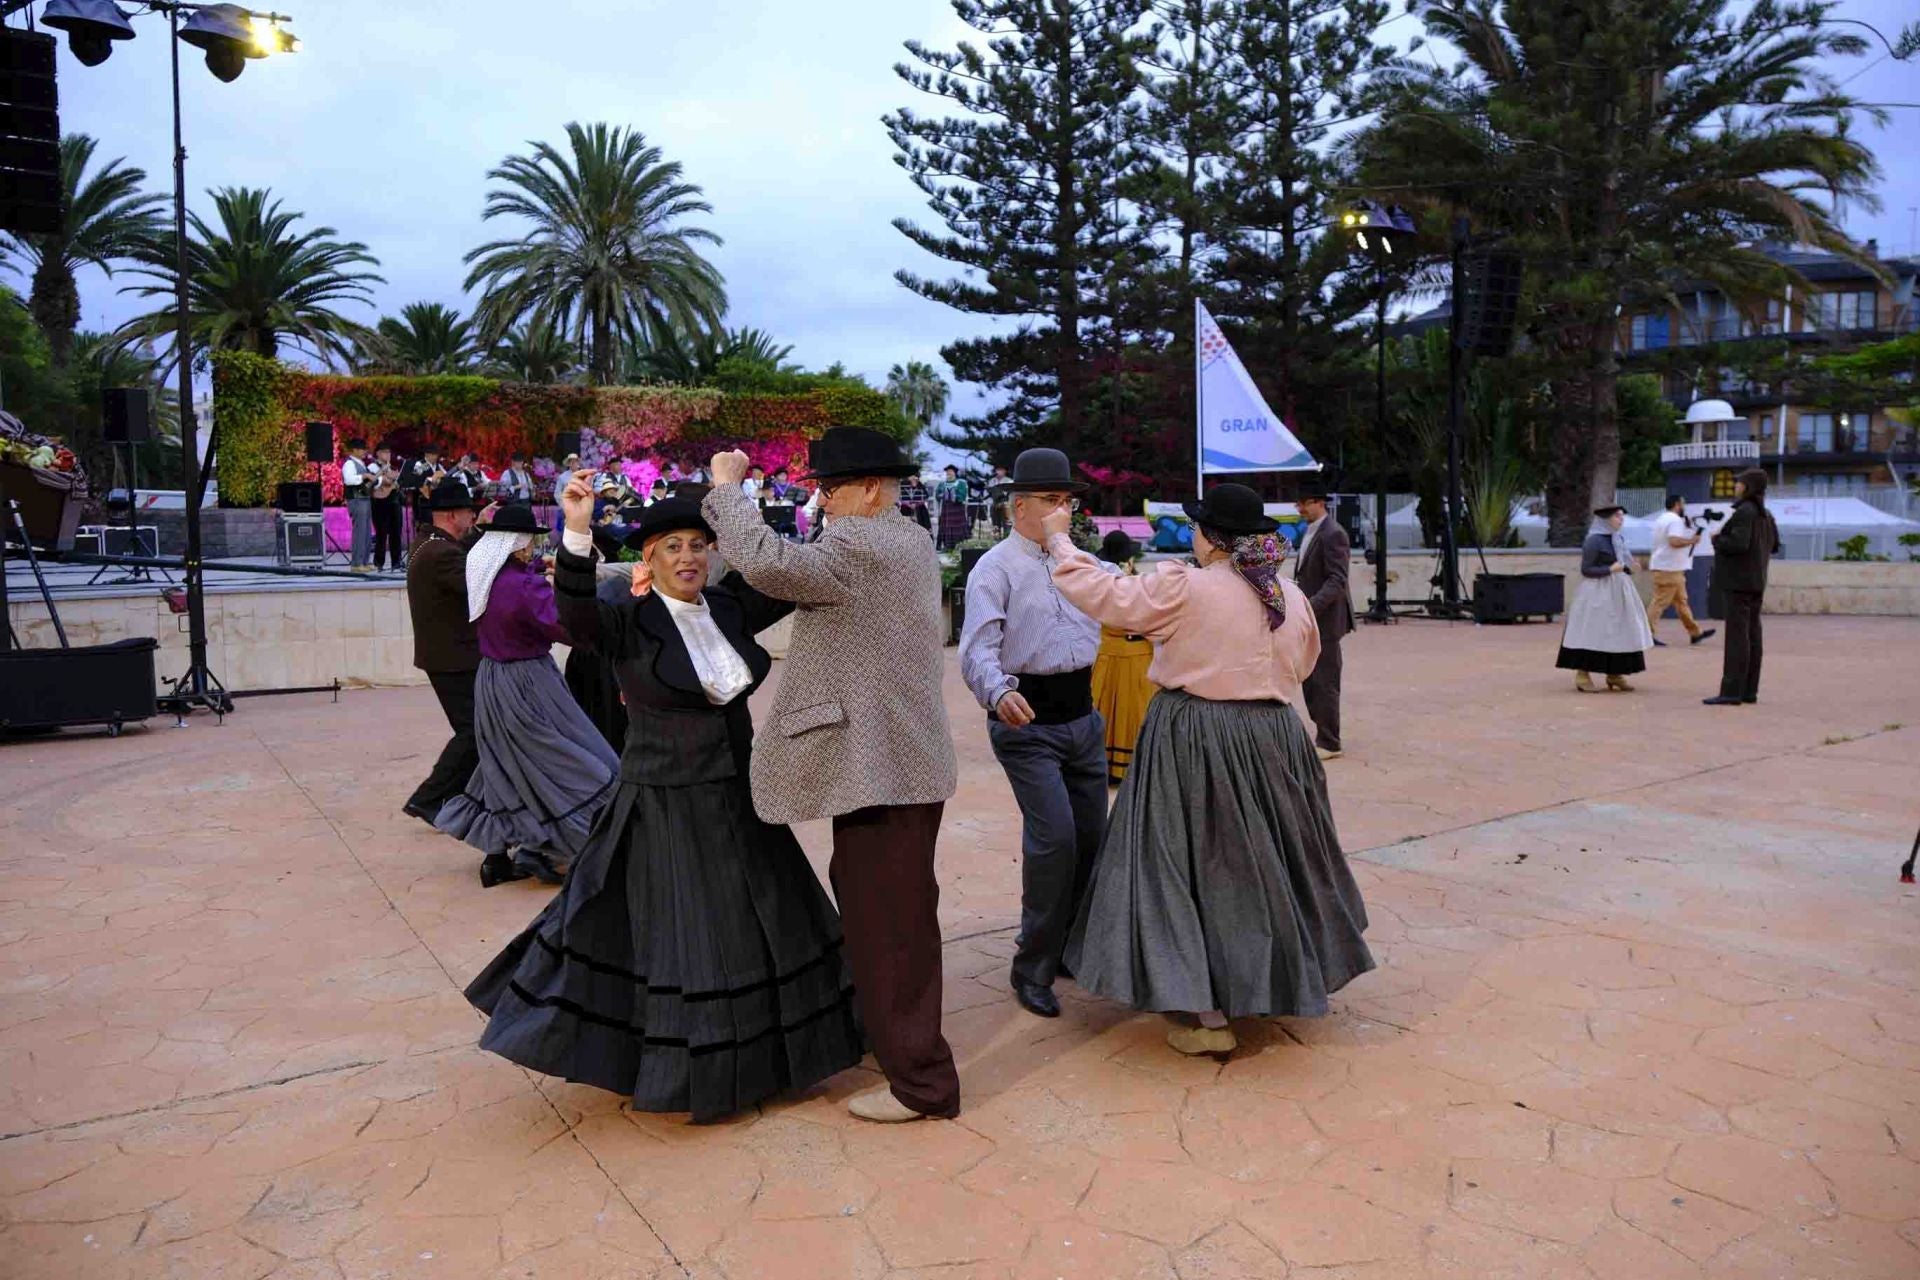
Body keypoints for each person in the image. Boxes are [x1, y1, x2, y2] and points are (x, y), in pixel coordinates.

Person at [466, 492, 864, 1120]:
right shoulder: (626, 619)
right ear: (648, 559)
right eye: (673, 547)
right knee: (691, 936)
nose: (688, 557)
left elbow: (788, 575)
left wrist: (830, 521)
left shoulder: (728, 608)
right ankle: (701, 1072)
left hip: (739, 798)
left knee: (766, 922)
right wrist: (576, 531)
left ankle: (777, 1060)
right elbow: (575, 616)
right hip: (665, 802)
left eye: (698, 546)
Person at [1046, 483, 1374, 1058]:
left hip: (1195, 735)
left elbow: (1108, 597)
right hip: (1275, 736)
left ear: (1212, 539)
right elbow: (1304, 662)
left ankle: (1208, 1013)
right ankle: (1269, 982)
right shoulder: (1288, 595)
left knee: (1187, 865)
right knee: (1271, 864)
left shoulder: (1187, 587)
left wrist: (1059, 542)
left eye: (1198, 527)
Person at [701, 429, 959, 1124]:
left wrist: (728, 487)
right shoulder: (905, 539)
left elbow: (766, 562)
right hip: (892, 765)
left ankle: (921, 1084)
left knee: (890, 928)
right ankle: (897, 1042)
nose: (823, 499)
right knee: (887, 915)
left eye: (833, 488)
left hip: (884, 771)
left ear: (870, 489)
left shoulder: (863, 546)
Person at [958, 448, 1109, 1020]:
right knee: (1055, 842)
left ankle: (1071, 948)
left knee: (1092, 838)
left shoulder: (1083, 563)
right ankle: (1033, 967)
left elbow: (1127, 604)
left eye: (1067, 500)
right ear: (1019, 506)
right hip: (1028, 725)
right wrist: (998, 693)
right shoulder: (994, 568)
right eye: (1051, 499)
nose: (1062, 510)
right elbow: (977, 648)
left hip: (1083, 719)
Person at [433, 503, 619, 886]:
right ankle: (567, 845)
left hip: (492, 679)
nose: (533, 547)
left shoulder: (486, 575)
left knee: (504, 767)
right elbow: (565, 626)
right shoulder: (523, 585)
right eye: (530, 542)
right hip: (529, 682)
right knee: (569, 758)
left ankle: (498, 858)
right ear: (517, 543)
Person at [404, 481, 485, 831]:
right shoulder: (441, 554)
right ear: (452, 515)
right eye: (469, 512)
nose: (472, 517)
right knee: (474, 733)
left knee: (475, 732)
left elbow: (458, 550)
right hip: (454, 658)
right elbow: (477, 584)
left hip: (447, 655)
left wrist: (479, 532)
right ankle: (429, 798)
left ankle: (456, 797)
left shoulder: (428, 543)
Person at [1555, 504, 1653, 693]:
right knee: (1594, 630)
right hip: (1598, 592)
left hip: (1619, 591)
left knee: (1619, 630)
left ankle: (1615, 673)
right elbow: (1587, 569)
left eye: (1622, 516)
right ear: (1605, 519)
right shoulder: (1594, 541)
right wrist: (1609, 569)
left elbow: (1621, 564)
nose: (1621, 520)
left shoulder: (1618, 539)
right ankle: (1582, 674)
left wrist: (1629, 568)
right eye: (1617, 516)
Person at [1705, 468, 1780, 707]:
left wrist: (1717, 539)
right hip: (1756, 581)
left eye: (1739, 483)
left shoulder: (1745, 512)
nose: (1736, 486)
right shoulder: (1766, 514)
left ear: (1748, 487)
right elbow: (1775, 545)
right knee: (1752, 636)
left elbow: (1738, 543)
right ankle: (1749, 691)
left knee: (1737, 638)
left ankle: (1731, 691)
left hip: (1738, 582)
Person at [1090, 530, 1156, 786]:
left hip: (1110, 653)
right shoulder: (1118, 580)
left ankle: (1102, 763)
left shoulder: (1097, 576)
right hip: (1129, 654)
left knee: (1107, 708)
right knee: (1133, 711)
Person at [1292, 488, 1353, 760]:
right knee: (1311, 680)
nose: (1300, 509)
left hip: (1325, 621)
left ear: (1318, 502)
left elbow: (1337, 580)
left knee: (1325, 681)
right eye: (1297, 504)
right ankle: (1323, 734)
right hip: (1311, 618)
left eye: (1303, 503)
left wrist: (1310, 606)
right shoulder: (1313, 530)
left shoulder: (1333, 533)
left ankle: (1330, 742)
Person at [1646, 494, 1715, 648]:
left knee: (1681, 602)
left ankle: (1695, 633)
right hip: (1669, 568)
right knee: (1659, 602)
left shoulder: (1662, 519)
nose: (1684, 506)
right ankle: (1647, 634)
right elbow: (1674, 541)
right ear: (1677, 504)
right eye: (1683, 503)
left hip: (1669, 567)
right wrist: (1691, 541)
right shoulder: (1675, 520)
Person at [340, 437, 376, 572]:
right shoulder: (349, 464)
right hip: (356, 499)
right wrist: (364, 476)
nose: (364, 452)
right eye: (362, 449)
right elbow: (349, 480)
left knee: (366, 531)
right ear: (354, 450)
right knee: (360, 531)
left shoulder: (362, 464)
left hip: (365, 499)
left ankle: (364, 561)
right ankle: (356, 563)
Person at [369, 442, 405, 572]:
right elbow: (379, 481)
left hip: (394, 501)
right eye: (385, 452)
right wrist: (388, 478)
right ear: (378, 453)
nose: (388, 455)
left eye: (389, 452)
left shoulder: (392, 467)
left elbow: (395, 480)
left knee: (396, 532)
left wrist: (393, 479)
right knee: (381, 533)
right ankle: (379, 562)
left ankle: (396, 561)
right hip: (380, 503)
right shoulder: (373, 466)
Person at [402, 443, 446, 524]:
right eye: (432, 454)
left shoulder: (439, 466)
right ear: (426, 455)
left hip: (435, 500)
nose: (435, 457)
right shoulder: (420, 465)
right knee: (425, 523)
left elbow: (445, 477)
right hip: (422, 500)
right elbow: (414, 479)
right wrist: (428, 480)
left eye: (436, 454)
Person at [934, 464, 971, 550]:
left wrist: (955, 496)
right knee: (945, 526)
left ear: (955, 473)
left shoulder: (960, 483)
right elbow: (937, 494)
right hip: (946, 509)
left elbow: (963, 495)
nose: (949, 473)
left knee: (958, 527)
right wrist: (941, 495)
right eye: (948, 472)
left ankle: (959, 545)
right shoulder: (942, 484)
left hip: (957, 509)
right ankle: (947, 545)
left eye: (951, 472)